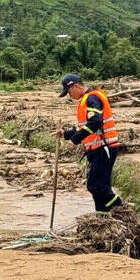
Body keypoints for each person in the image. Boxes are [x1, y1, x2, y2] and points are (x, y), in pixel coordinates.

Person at [53, 74, 122, 214]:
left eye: (69, 92)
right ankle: (103, 219)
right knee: (101, 188)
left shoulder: (92, 98)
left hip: (104, 147)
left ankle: (123, 211)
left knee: (95, 185)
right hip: (96, 149)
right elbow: (83, 127)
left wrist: (75, 140)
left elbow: (95, 122)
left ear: (76, 86)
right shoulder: (85, 101)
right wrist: (66, 134)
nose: (69, 96)